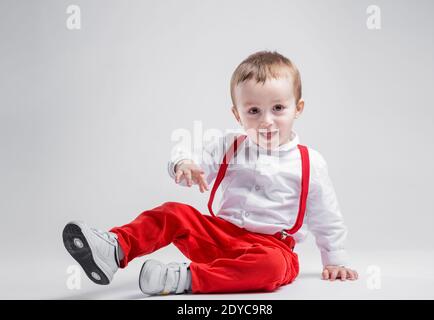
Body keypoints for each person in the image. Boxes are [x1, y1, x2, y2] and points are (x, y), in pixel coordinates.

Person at [62, 51, 358, 296]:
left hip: (271, 247)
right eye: (253, 111)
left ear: (298, 109)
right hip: (218, 236)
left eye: (278, 108)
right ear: (237, 114)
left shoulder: (310, 162)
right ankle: (114, 249)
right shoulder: (230, 145)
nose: (267, 120)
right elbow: (193, 155)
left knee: (272, 268)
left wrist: (335, 260)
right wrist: (184, 165)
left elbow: (326, 215)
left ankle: (184, 279)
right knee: (173, 212)